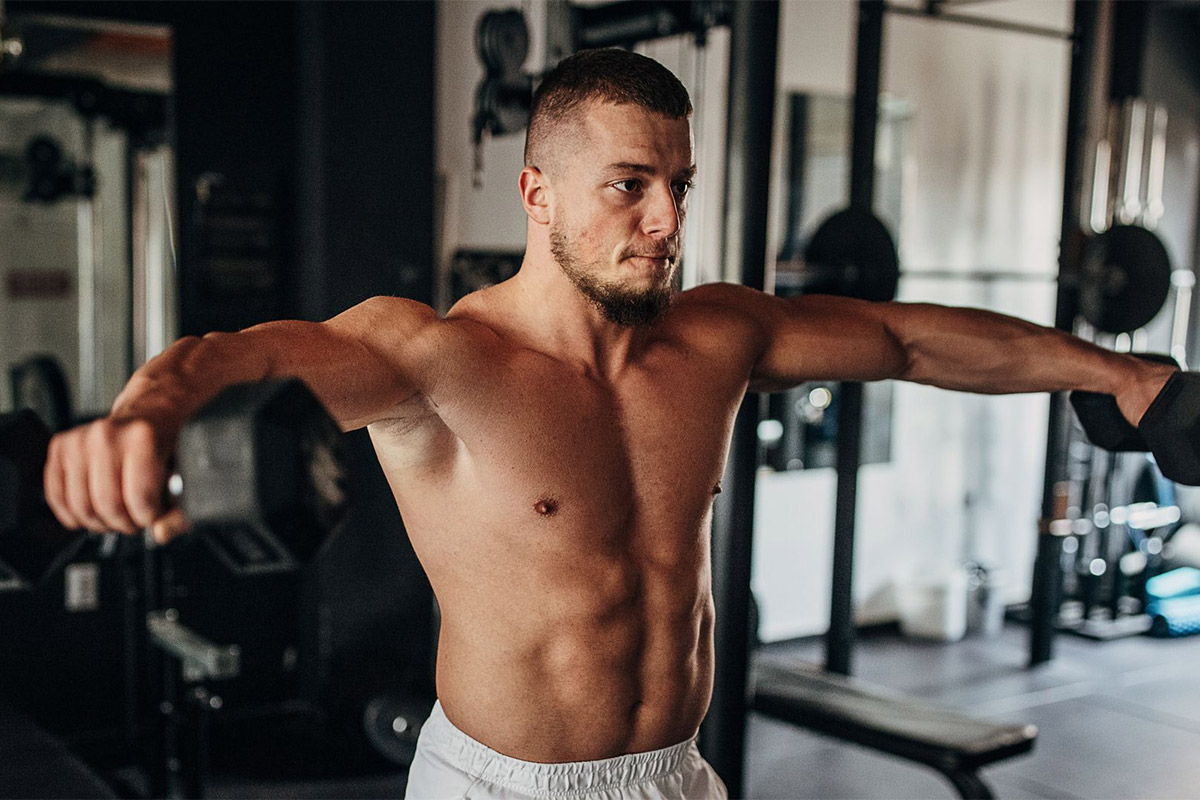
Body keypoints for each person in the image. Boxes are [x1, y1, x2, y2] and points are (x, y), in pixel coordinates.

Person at [44, 48, 1175, 800]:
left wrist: (1118, 372)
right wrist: (145, 414)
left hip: (675, 774)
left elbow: (906, 339)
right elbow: (242, 354)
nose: (668, 219)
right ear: (537, 194)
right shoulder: (436, 360)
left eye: (681, 184)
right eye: (630, 184)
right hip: (503, 787)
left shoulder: (717, 338)